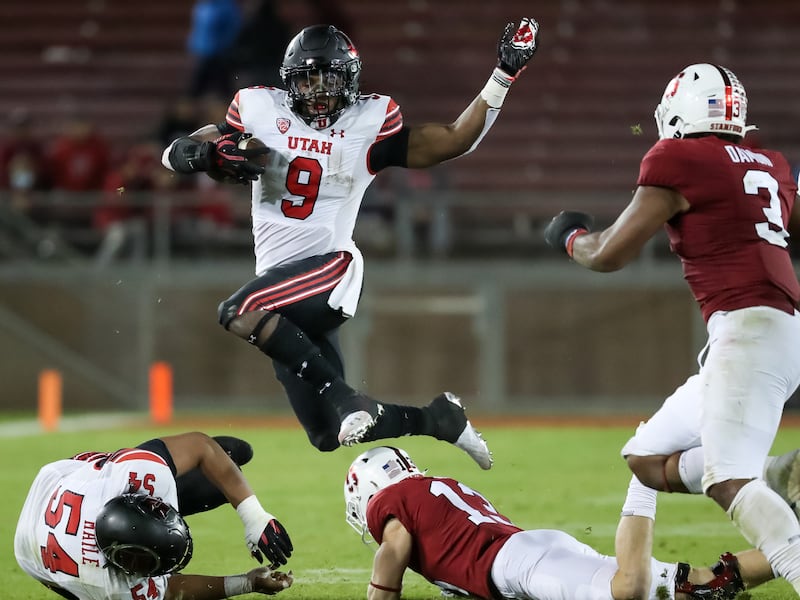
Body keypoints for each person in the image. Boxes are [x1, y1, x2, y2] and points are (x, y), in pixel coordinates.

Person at [160, 19, 540, 468]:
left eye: (329, 77)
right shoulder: (258, 108)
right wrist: (207, 154)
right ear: (289, 81)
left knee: (237, 311)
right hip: (279, 291)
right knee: (325, 434)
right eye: (307, 78)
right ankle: (440, 420)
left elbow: (456, 139)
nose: (318, 90)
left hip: (331, 269)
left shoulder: (370, 121)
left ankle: (346, 397)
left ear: (351, 80)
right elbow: (175, 153)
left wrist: (503, 74)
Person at [543, 63, 800, 595]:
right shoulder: (771, 164)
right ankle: (780, 474)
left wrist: (570, 237)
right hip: (770, 326)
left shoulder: (678, 156)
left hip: (749, 327)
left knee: (727, 479)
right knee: (645, 457)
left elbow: (609, 253)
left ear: (681, 111)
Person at [342, 445, 777, 600]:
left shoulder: (390, 502)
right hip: (526, 554)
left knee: (629, 588)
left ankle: (645, 475)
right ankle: (790, 547)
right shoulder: (433, 487)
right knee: (699, 588)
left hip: (518, 564)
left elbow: (393, 549)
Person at [14, 432, 294, 600]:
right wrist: (247, 583)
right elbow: (168, 591)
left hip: (68, 480)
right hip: (33, 552)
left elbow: (200, 445)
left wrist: (255, 517)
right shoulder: (108, 586)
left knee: (232, 453)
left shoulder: (129, 475)